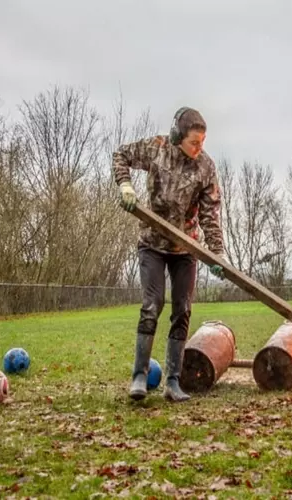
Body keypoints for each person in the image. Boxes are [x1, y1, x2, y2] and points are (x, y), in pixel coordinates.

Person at [112, 106, 226, 402]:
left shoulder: (205, 167)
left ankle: (173, 382)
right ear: (177, 136)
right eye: (194, 142)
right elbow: (121, 155)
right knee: (152, 304)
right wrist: (125, 185)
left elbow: (211, 213)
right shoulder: (157, 148)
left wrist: (216, 253)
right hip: (152, 243)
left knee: (183, 309)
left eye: (202, 142)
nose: (198, 148)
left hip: (186, 247)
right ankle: (139, 376)